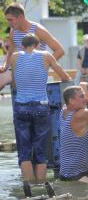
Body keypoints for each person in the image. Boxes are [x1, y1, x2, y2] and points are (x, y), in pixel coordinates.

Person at [10, 33, 71, 183]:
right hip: (41, 106)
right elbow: (64, 76)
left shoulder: (14, 57)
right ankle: (41, 185)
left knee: (24, 151)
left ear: (22, 46)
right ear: (37, 45)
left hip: (21, 106)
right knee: (40, 149)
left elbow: (15, 83)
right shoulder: (46, 55)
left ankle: (29, 187)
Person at [1, 3, 65, 89]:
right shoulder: (13, 31)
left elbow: (60, 50)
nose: (9, 23)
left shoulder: (38, 30)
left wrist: (42, 66)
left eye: (11, 20)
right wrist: (4, 66)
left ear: (20, 17)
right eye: (7, 20)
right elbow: (10, 52)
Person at [59, 82, 88, 184]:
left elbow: (71, 93)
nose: (85, 99)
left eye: (84, 95)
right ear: (71, 101)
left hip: (74, 170)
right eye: (82, 96)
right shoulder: (79, 116)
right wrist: (87, 91)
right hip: (73, 175)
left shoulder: (64, 110)